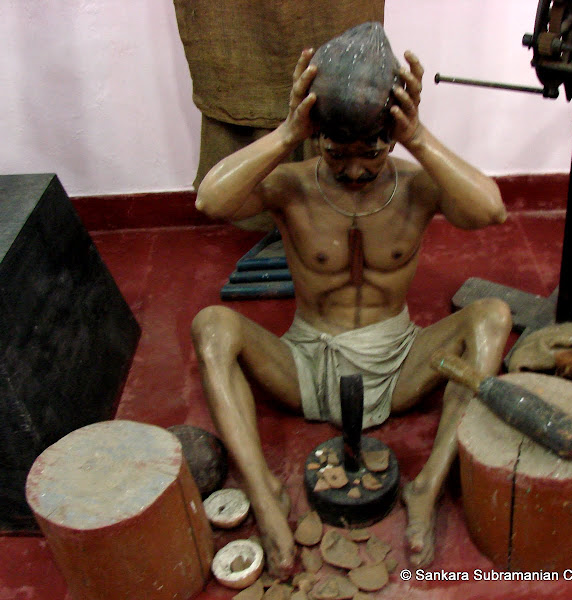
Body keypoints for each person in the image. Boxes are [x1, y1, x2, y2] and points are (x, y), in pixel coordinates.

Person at [191, 37, 511, 578]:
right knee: (211, 326)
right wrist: (287, 134)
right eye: (337, 153)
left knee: (493, 316)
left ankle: (427, 486)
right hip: (305, 362)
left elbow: (492, 210)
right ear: (316, 136)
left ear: (393, 136)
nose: (356, 170)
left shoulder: (416, 187)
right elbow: (209, 200)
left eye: (372, 153)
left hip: (399, 363)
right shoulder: (291, 186)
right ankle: (266, 496)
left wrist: (420, 139)